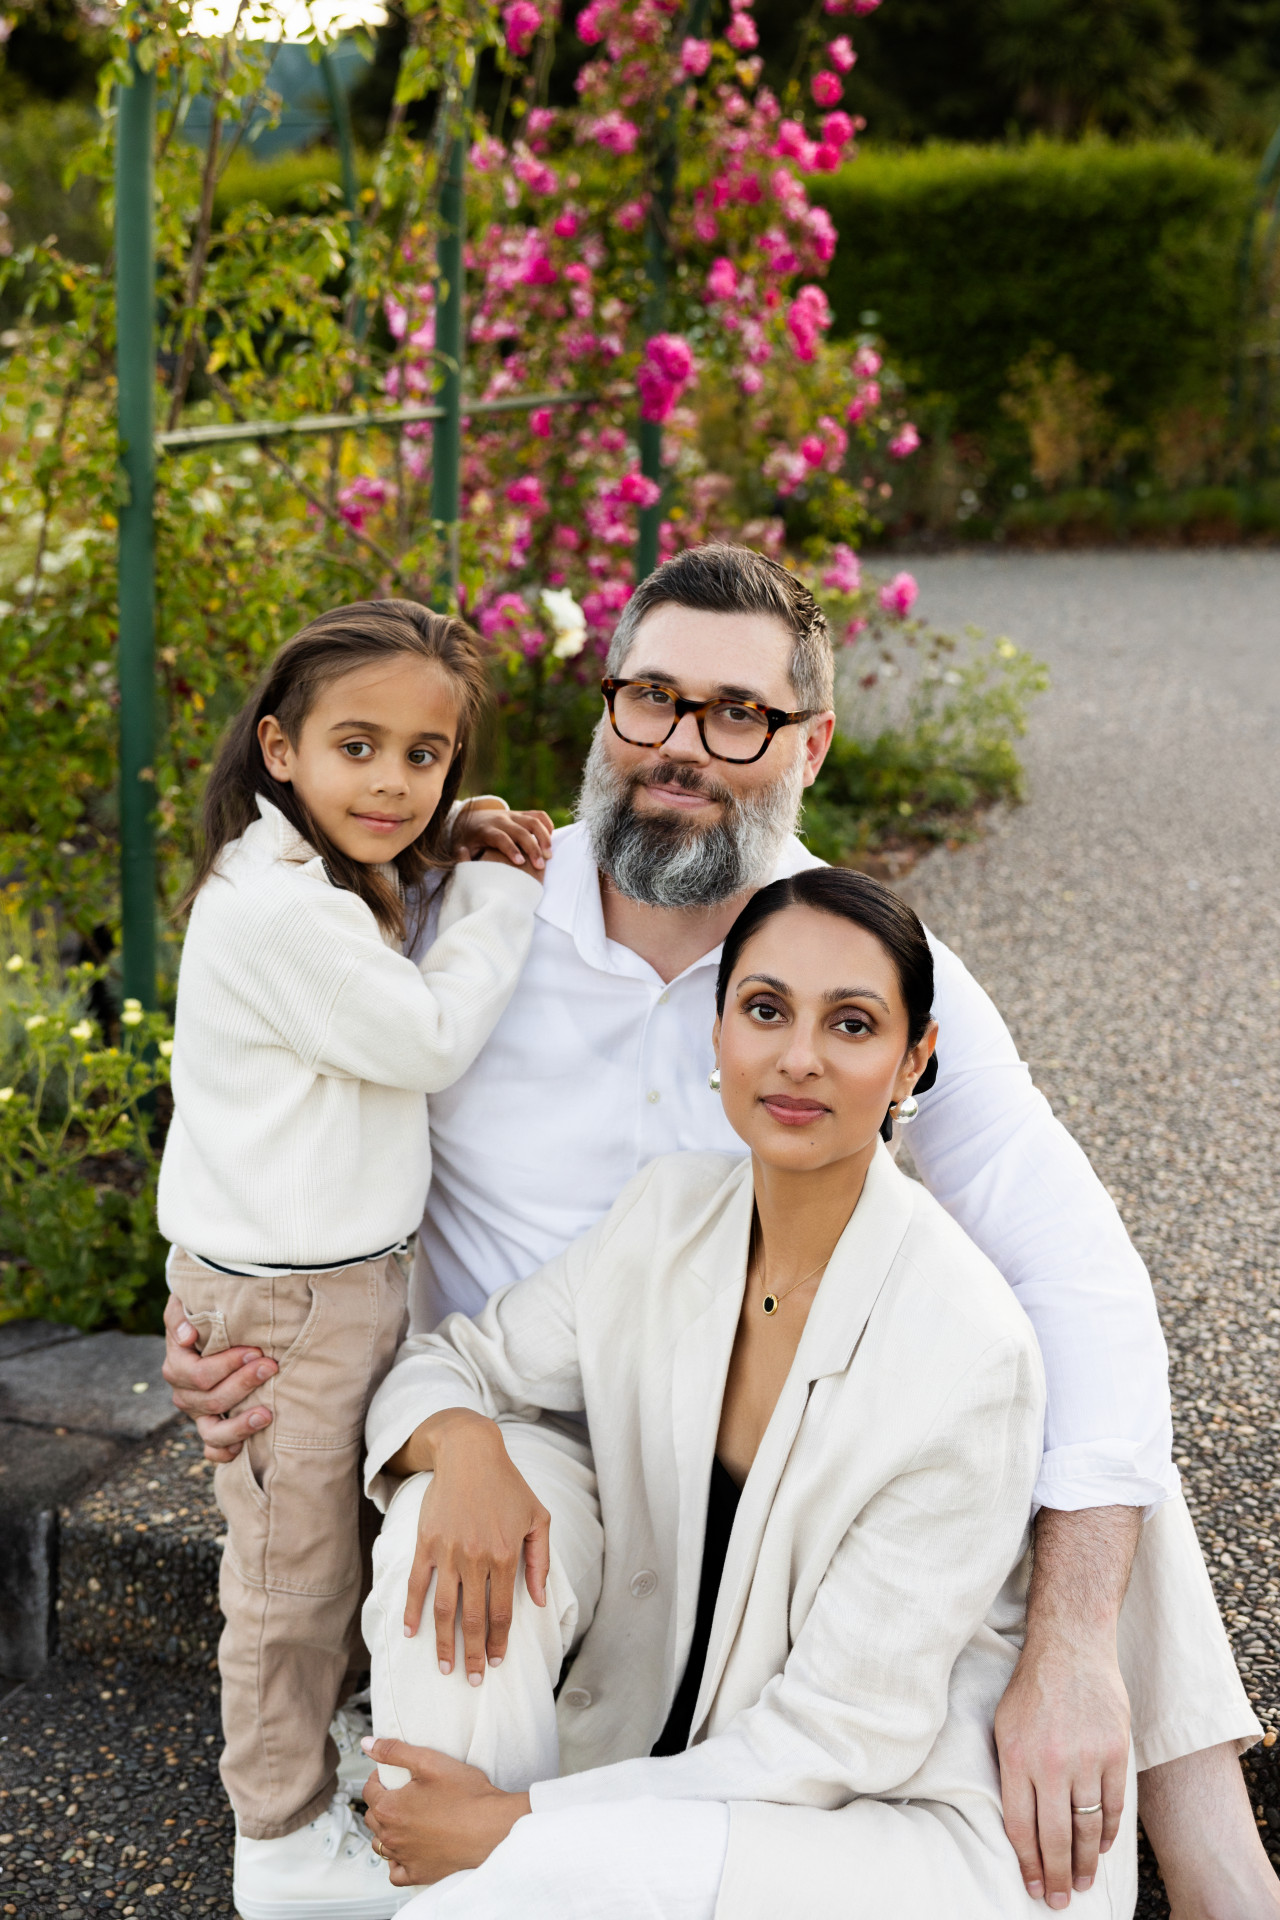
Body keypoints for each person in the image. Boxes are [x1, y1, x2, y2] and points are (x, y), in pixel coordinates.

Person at [163, 547, 1274, 1916]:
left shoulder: (856, 963)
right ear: (606, 713)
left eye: (737, 714)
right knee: (455, 1559)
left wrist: (1075, 1646)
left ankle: (1225, 1878)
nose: (682, 747)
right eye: (652, 699)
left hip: (787, 1442)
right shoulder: (449, 921)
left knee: (1053, 1382)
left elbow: (1075, 1274)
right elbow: (259, 1114)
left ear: (811, 742)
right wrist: (225, 1308)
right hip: (533, 1426)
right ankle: (445, 1869)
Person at [353, 867, 1135, 1918]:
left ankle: (462, 1860)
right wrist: (461, 1445)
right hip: (700, 1773)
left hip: (898, 1828)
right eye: (764, 1010)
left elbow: (832, 1740)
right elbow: (449, 1362)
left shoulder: (967, 1351)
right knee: (435, 1528)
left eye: (850, 1024)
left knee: (498, 1892)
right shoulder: (665, 1218)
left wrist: (511, 1829)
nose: (797, 1058)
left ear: (914, 1060)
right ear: (715, 1033)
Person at [157, 599, 551, 1920]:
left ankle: (313, 1769)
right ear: (282, 748)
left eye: (425, 757)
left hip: (335, 1279)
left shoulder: (327, 873)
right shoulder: (276, 912)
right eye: (359, 747)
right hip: (288, 1297)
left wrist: (456, 842)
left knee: (327, 1542)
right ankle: (275, 1845)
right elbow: (429, 1034)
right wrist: (498, 886)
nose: (393, 782)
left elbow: (394, 894)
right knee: (289, 1576)